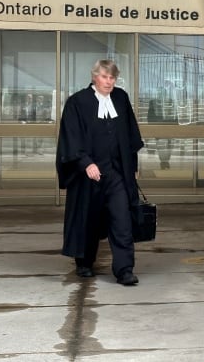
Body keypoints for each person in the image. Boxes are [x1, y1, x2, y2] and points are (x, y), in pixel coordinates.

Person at [56, 59, 145, 286]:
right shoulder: (78, 102)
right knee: (89, 220)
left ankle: (125, 270)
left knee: (122, 220)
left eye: (113, 78)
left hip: (117, 174)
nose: (109, 82)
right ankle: (84, 262)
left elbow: (130, 136)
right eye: (105, 77)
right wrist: (86, 163)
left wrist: (132, 168)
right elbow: (71, 137)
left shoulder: (121, 98)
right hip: (89, 175)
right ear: (95, 76)